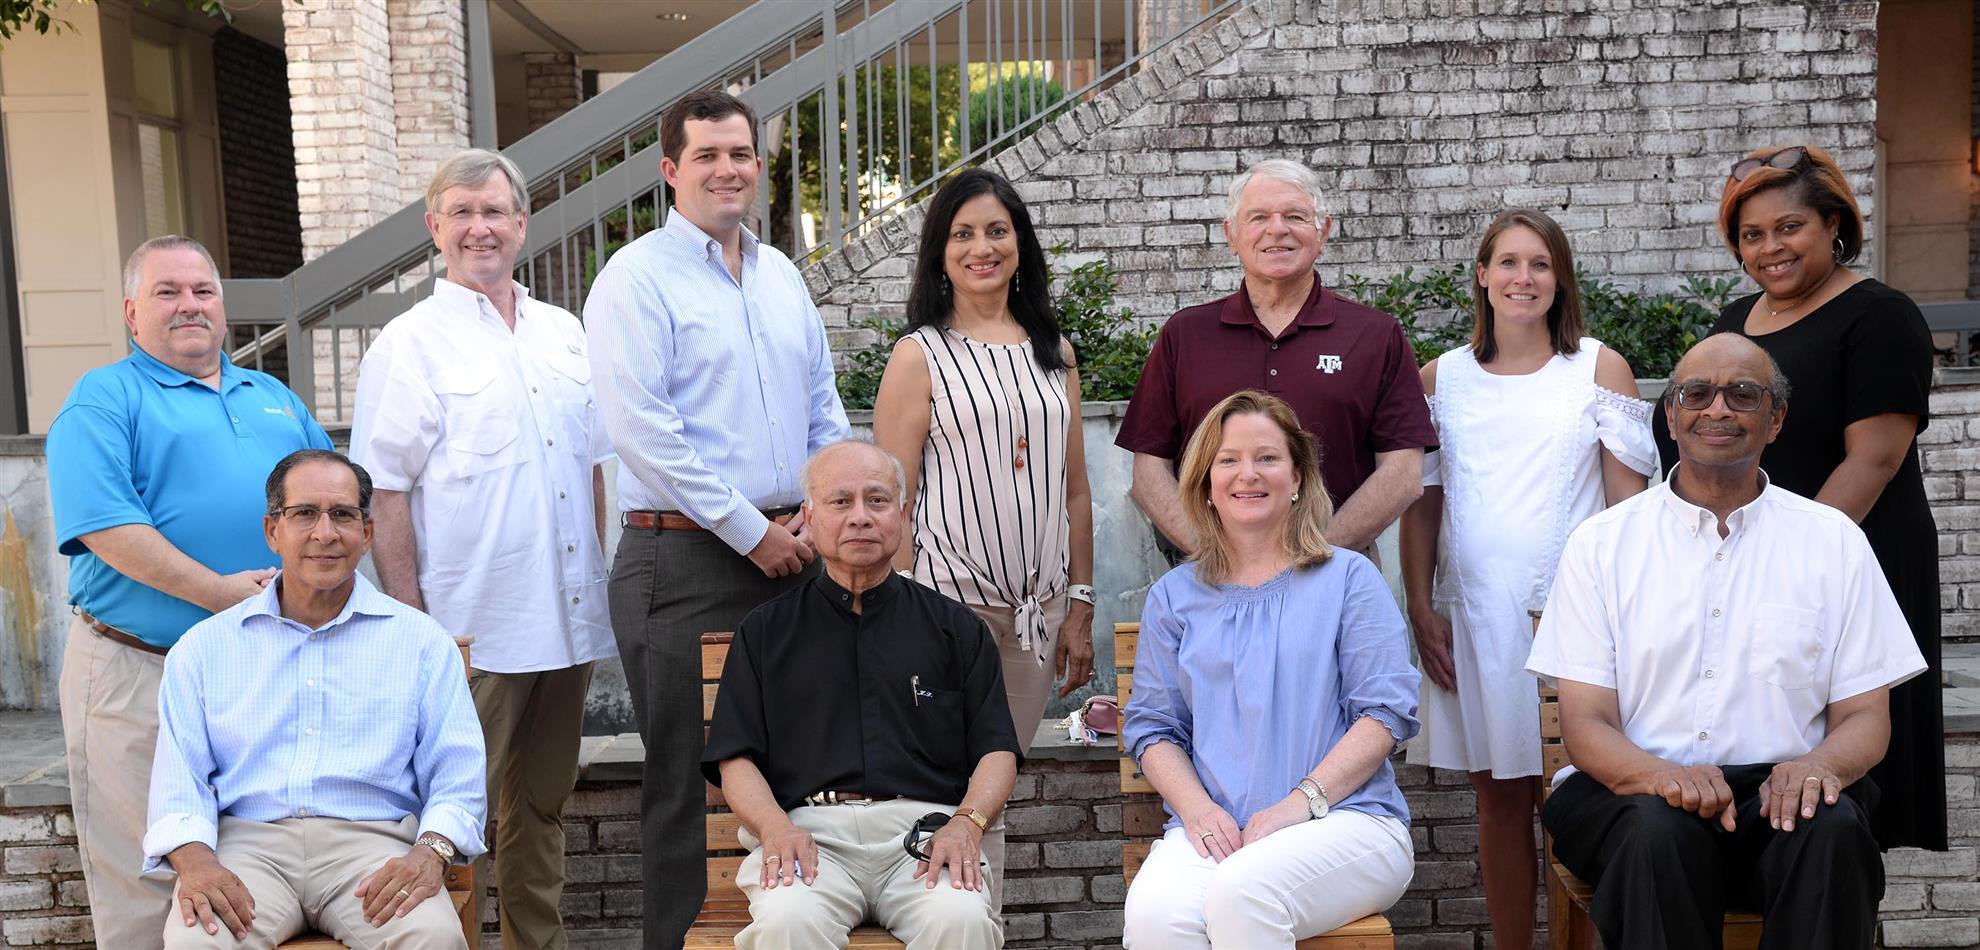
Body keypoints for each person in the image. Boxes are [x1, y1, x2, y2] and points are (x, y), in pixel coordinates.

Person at [1533, 334, 1926, 949]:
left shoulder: (1833, 542)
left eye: (1743, 394)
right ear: (1671, 416)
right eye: (1696, 394)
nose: (1717, 409)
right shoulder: (1602, 545)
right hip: (1634, 791)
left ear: (1776, 419)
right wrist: (1663, 777)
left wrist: (1818, 766)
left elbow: (1866, 718)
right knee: (1659, 836)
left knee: (1832, 832)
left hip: (1780, 794)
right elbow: (1586, 725)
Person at [584, 89, 851, 949]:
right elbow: (643, 431)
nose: (726, 169)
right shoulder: (634, 279)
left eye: (739, 153)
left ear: (758, 165)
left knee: (798, 771)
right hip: (686, 564)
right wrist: (752, 531)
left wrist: (822, 511)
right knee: (684, 787)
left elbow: (823, 406)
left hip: (795, 554)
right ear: (671, 170)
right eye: (706, 155)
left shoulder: (781, 276)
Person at [349, 148, 612, 949]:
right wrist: (413, 620)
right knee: (452, 818)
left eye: (494, 211)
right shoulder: (409, 343)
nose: (479, 228)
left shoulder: (564, 332)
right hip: (470, 631)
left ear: (521, 225)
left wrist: (597, 574)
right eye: (460, 213)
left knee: (541, 809)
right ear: (435, 229)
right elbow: (384, 491)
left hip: (567, 623)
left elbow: (592, 468)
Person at [1650, 145, 1944, 852]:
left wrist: (1787, 561)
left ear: (1833, 224)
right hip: (1751, 561)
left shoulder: (1881, 315)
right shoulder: (1734, 320)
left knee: (1842, 780)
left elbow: (1873, 460)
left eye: (1789, 227)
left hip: (1849, 559)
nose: (1770, 248)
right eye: (1752, 235)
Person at [46, 235, 333, 949]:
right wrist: (221, 595)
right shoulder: (104, 398)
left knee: (246, 873)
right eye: (167, 292)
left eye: (203, 291)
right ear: (131, 312)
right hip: (141, 669)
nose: (189, 306)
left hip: (260, 671)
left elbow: (333, 507)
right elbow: (108, 527)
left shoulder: (272, 397)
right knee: (146, 877)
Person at [1397, 209, 1655, 950]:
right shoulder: (1441, 377)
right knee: (1499, 799)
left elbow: (1630, 513)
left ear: (1560, 279)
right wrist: (1420, 606)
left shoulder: (1599, 369)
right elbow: (1422, 504)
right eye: (1508, 262)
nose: (1523, 278)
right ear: (1482, 276)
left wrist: (1628, 620)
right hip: (1475, 618)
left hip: (1577, 624)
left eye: (1540, 264)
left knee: (1579, 797)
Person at [142, 450, 487, 949]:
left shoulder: (421, 642)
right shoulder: (203, 649)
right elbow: (180, 779)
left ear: (367, 533)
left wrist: (429, 852)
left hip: (374, 848)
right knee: (197, 942)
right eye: (304, 513)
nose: (325, 533)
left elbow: (458, 772)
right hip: (247, 850)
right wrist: (196, 862)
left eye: (342, 515)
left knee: (431, 937)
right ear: (272, 530)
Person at [1121, 390, 1419, 949]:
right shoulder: (1174, 597)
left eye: (1267, 458)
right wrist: (1199, 811)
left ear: (1298, 476)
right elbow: (1154, 728)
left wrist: (1296, 804)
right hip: (1216, 828)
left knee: (1244, 893)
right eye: (1228, 460)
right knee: (1154, 917)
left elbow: (1384, 714)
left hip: (1345, 821)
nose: (1248, 474)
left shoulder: (1349, 579)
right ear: (1206, 483)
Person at [701, 440, 1020, 950]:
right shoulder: (766, 632)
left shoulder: (955, 628)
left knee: (960, 919)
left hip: (923, 836)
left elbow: (996, 749)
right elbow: (734, 758)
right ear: (810, 517)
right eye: (840, 501)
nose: (860, 517)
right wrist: (774, 827)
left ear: (902, 513)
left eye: (877, 500)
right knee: (787, 921)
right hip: (808, 838)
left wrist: (967, 822)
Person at [872, 167, 1097, 747]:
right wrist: (901, 610)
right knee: (945, 779)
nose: (982, 248)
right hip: (944, 605)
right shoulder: (918, 356)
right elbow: (892, 498)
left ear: (1019, 243)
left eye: (997, 231)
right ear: (940, 253)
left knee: (1003, 772)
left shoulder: (1057, 354)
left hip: (1039, 610)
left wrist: (1080, 602)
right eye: (962, 234)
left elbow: (1074, 490)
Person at [1116, 159, 1435, 562]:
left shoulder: (1376, 335)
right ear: (1231, 235)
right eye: (1259, 217)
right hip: (1208, 574)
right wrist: (1219, 558)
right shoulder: (1185, 335)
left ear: (1323, 231)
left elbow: (1403, 473)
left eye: (1295, 216)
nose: (1277, 229)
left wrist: (1313, 557)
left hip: (1336, 568)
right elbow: (1149, 471)